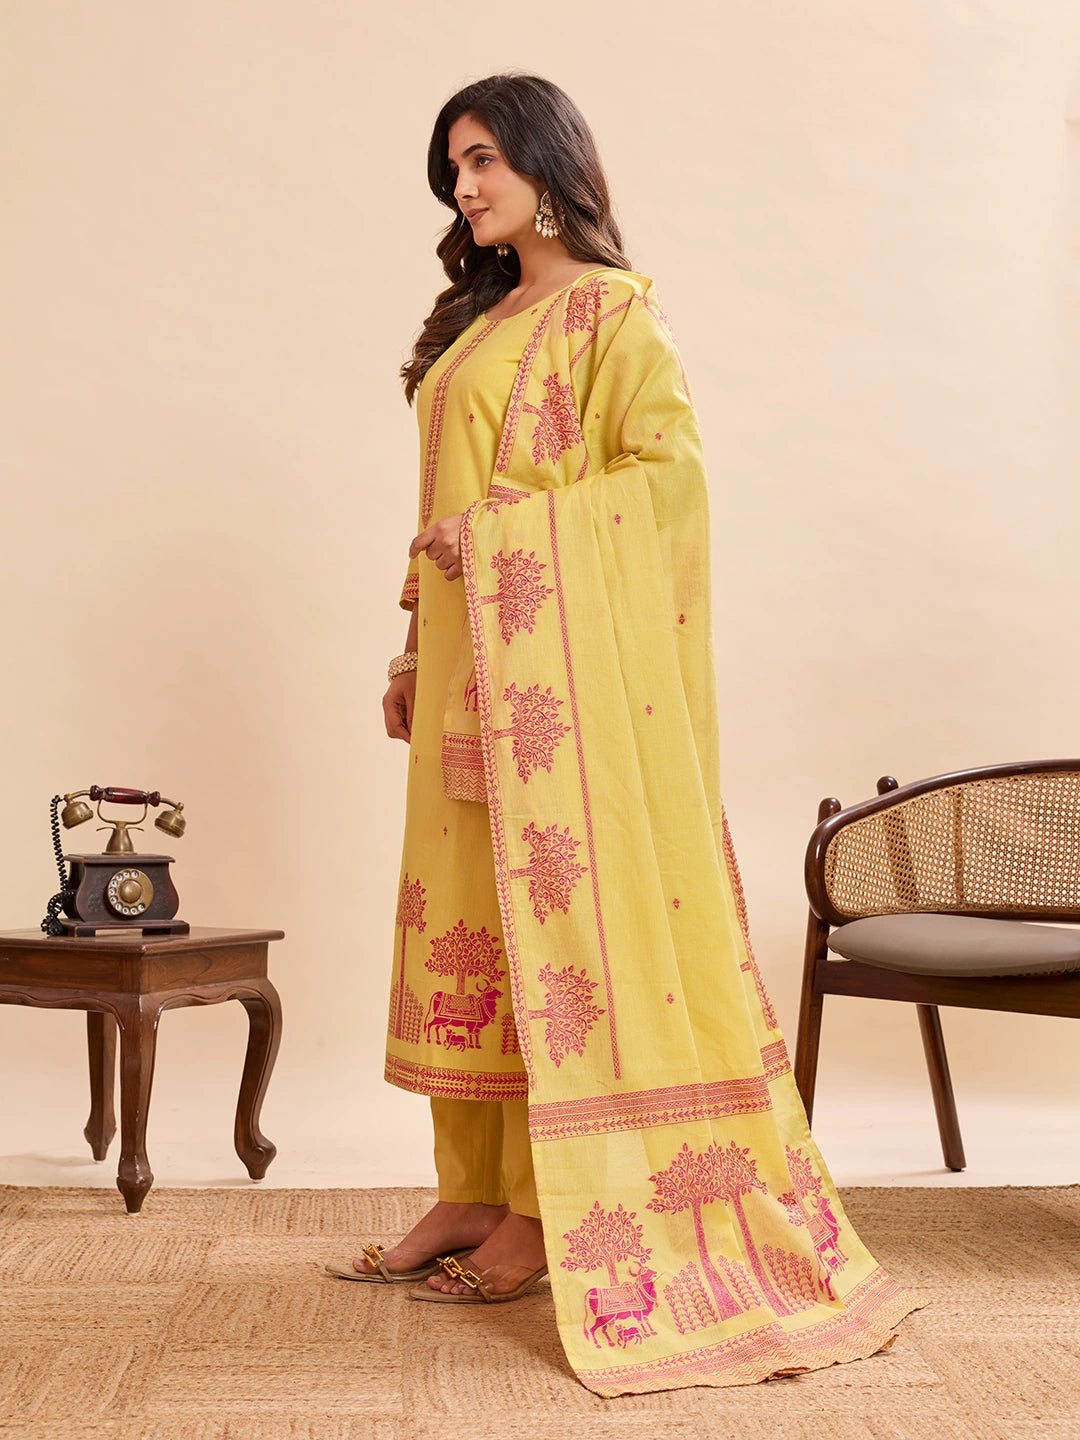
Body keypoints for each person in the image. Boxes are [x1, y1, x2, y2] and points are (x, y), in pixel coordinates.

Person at [326, 72, 926, 1399]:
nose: (466, 188)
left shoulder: (613, 319)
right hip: (471, 667)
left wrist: (493, 547)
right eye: (453, 170)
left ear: (550, 165)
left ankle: (547, 1210)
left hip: (558, 696)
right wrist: (416, 642)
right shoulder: (480, 321)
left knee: (560, 941)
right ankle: (469, 1190)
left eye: (483, 160)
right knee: (468, 934)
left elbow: (666, 488)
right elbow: (447, 494)